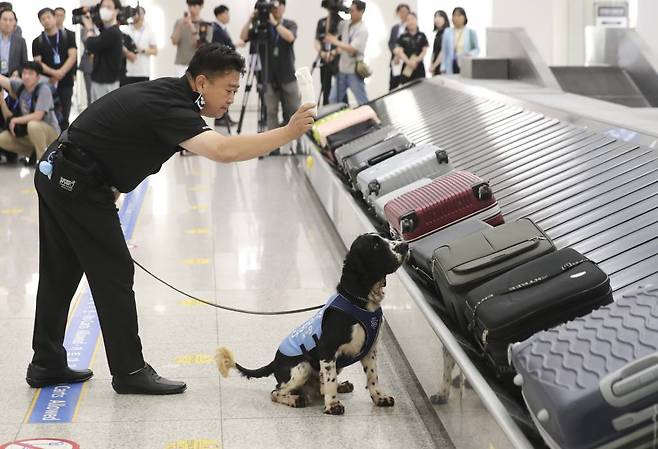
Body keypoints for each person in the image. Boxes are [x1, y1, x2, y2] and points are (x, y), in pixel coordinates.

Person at [27, 43, 315, 395]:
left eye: (236, 91)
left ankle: (46, 363)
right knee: (114, 272)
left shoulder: (171, 94)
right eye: (228, 90)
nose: (231, 99)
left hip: (61, 172)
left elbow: (114, 136)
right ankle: (129, 371)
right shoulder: (171, 105)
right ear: (202, 82)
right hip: (76, 181)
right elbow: (222, 151)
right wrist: (288, 132)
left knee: (61, 271)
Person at [239, 0, 299, 156]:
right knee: (271, 112)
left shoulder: (290, 24)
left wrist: (274, 23)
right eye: (273, 7)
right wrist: (251, 20)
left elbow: (290, 37)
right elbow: (243, 37)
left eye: (278, 6)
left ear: (284, 7)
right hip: (268, 77)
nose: (275, 9)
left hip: (288, 75)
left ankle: (297, 145)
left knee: (293, 110)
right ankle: (273, 147)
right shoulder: (261, 28)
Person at [0, 62, 60, 162]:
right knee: (2, 139)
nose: (26, 76)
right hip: (30, 133)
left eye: (30, 73)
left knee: (33, 125)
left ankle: (42, 160)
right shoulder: (20, 86)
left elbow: (38, 116)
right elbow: (2, 80)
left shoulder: (43, 89)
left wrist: (15, 120)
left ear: (38, 77)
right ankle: (34, 153)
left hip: (50, 134)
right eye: (24, 73)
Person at [32, 8, 77, 130]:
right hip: (47, 83)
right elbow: (38, 63)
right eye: (43, 19)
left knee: (65, 114)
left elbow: (73, 56)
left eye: (48, 17)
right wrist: (54, 73)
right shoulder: (37, 41)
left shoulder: (68, 36)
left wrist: (61, 72)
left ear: (54, 17)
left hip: (66, 81)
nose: (46, 21)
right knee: (49, 115)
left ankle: (65, 144)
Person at [325, 0, 368, 106]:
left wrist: (335, 42)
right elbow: (331, 33)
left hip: (354, 71)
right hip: (342, 70)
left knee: (362, 101)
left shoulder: (363, 30)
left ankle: (372, 121)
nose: (351, 13)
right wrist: (331, 12)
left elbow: (352, 49)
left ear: (361, 11)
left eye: (353, 11)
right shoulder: (346, 24)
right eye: (350, 10)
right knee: (333, 99)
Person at [80, 0, 124, 102]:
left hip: (107, 83)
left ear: (116, 11)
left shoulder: (113, 32)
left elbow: (91, 45)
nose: (104, 10)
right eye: (103, 7)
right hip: (98, 80)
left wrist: (90, 28)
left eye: (109, 7)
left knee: (105, 115)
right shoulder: (106, 30)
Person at [171, 0, 212, 77]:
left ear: (201, 6)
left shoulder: (206, 25)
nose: (191, 8)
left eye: (194, 6)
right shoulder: (180, 22)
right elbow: (174, 41)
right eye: (190, 5)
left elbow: (203, 47)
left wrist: (192, 28)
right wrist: (180, 25)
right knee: (179, 88)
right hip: (181, 64)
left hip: (198, 65)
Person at [314, 4, 342, 106]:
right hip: (324, 58)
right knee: (325, 87)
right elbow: (317, 40)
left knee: (340, 88)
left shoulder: (342, 22)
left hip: (338, 60)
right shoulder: (322, 22)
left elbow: (344, 42)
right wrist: (322, 53)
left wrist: (333, 53)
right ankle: (326, 108)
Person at [122, 6, 157, 85]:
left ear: (144, 15)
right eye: (136, 13)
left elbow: (155, 51)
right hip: (129, 73)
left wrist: (143, 50)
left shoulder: (149, 31)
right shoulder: (126, 29)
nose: (138, 16)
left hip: (143, 72)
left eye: (140, 13)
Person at [441, 7, 479, 75]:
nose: (456, 18)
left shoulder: (471, 32)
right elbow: (444, 51)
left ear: (464, 17)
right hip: (451, 65)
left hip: (465, 64)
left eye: (459, 15)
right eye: (454, 15)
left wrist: (469, 54)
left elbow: (477, 49)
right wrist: (443, 67)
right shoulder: (447, 32)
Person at [394, 12, 428, 85]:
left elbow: (424, 50)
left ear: (416, 20)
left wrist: (417, 60)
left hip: (419, 66)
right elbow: (400, 51)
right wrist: (408, 62)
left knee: (421, 87)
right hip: (407, 67)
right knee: (406, 89)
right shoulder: (402, 36)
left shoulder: (422, 35)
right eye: (408, 19)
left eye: (412, 19)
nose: (411, 21)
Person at [387, 3, 408, 91]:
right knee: (393, 85)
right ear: (398, 13)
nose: (403, 14)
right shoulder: (395, 28)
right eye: (401, 12)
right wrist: (396, 53)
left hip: (407, 60)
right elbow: (391, 43)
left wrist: (400, 55)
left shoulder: (411, 26)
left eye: (406, 12)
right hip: (396, 61)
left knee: (406, 84)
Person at [0, 8, 26, 78]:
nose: (7, 23)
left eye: (10, 20)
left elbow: (24, 63)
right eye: (5, 19)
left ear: (14, 22)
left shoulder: (21, 41)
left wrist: (18, 72)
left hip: (12, 79)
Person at [429, 10, 449, 76]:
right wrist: (431, 64)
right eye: (435, 17)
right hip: (436, 66)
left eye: (440, 16)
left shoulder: (447, 33)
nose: (437, 19)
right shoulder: (437, 34)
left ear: (445, 19)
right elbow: (434, 51)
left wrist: (434, 66)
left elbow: (443, 51)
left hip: (444, 66)